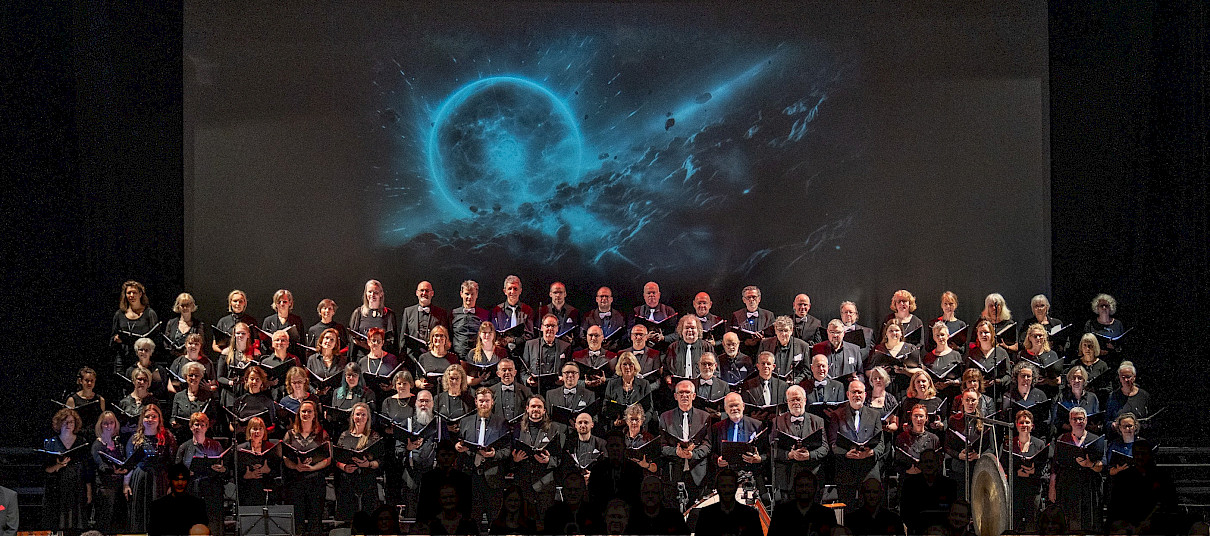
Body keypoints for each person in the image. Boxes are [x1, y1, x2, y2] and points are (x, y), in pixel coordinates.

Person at [455, 387, 511, 524]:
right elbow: (460, 443)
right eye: (481, 401)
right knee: (471, 519)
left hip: (492, 476)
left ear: (492, 402)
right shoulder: (465, 422)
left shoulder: (501, 423)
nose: (484, 404)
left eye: (487, 401)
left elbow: (507, 450)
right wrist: (458, 447)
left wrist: (494, 454)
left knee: (495, 519)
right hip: (470, 476)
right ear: (476, 402)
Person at [1049, 405, 1105, 532]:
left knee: (1088, 522)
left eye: (1081, 419)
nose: (1078, 422)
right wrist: (1052, 488)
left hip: (1088, 485)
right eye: (1074, 419)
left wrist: (1089, 464)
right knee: (1068, 521)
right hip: (1067, 485)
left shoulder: (1095, 439)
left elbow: (1103, 465)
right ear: (1070, 421)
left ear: (1086, 420)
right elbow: (1055, 467)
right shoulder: (1062, 439)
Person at [830, 379, 886, 505]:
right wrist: (846, 453)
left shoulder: (875, 415)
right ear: (848, 394)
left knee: (870, 508)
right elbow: (833, 443)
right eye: (854, 392)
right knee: (847, 508)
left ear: (865, 395)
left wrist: (870, 453)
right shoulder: (837, 415)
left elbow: (881, 444)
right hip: (846, 468)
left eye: (860, 392)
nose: (857, 395)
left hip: (869, 469)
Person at [124, 404, 177, 533]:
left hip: (161, 480)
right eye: (147, 416)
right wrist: (126, 484)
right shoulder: (135, 438)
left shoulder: (168, 437)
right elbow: (129, 465)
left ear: (159, 419)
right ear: (142, 419)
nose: (150, 419)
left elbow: (172, 463)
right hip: (140, 479)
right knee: (141, 515)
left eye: (154, 416)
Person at [281, 399, 331, 535]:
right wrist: (296, 466)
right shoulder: (290, 434)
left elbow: (328, 459)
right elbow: (285, 457)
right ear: (299, 414)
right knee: (297, 520)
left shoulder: (322, 434)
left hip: (316, 481)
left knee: (315, 519)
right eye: (303, 411)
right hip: (295, 481)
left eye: (309, 411)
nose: (306, 414)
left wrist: (313, 468)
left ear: (314, 415)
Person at [511, 395, 567, 513]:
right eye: (533, 406)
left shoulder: (555, 428)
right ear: (527, 409)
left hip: (545, 484)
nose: (536, 409)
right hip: (523, 483)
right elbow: (510, 454)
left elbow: (560, 457)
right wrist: (515, 460)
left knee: (545, 519)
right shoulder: (517, 428)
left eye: (539, 407)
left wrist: (548, 460)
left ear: (544, 410)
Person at [771, 385, 828, 501]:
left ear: (805, 400)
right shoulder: (777, 421)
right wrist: (789, 455)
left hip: (812, 475)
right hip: (787, 478)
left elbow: (825, 448)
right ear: (787, 402)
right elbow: (772, 450)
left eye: (798, 399)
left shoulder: (817, 421)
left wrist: (809, 455)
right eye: (792, 400)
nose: (796, 403)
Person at [659, 380, 712, 502]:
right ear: (675, 396)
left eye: (687, 392)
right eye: (681, 392)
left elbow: (707, 445)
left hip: (698, 473)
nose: (684, 395)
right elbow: (662, 446)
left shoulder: (705, 417)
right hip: (674, 472)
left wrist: (692, 454)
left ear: (694, 396)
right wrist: (676, 452)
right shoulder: (665, 417)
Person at [174, 412, 226, 536]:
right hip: (192, 490)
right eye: (196, 424)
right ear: (191, 427)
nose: (199, 427)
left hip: (212, 490)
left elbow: (225, 469)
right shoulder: (184, 447)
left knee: (213, 524)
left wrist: (222, 469)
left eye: (203, 425)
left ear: (207, 427)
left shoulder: (216, 445)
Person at [398, 390, 442, 520]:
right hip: (411, 476)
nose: (424, 404)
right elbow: (398, 451)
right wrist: (408, 448)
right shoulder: (406, 424)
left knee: (433, 516)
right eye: (421, 401)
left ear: (432, 403)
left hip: (434, 476)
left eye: (427, 401)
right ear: (416, 403)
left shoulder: (440, 424)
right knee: (412, 515)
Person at [334, 402, 382, 521]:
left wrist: (368, 464)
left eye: (363, 415)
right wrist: (343, 466)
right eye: (357, 414)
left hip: (367, 480)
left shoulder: (374, 436)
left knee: (368, 518)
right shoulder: (344, 435)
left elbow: (380, 461)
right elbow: (336, 459)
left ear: (368, 417)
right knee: (349, 517)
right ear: (352, 416)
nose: (360, 417)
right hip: (348, 481)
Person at [1002, 409, 1047, 533]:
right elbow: (1003, 467)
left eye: (1027, 422)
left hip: (1033, 489)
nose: (1024, 425)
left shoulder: (1039, 444)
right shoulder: (1009, 444)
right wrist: (1016, 473)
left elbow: (1044, 468)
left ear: (1032, 426)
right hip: (1015, 489)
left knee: (1031, 523)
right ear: (1016, 425)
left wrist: (1033, 472)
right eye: (1021, 422)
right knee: (1013, 522)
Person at [42, 408, 86, 530]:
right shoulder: (51, 443)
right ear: (59, 423)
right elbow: (46, 469)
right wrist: (59, 465)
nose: (68, 425)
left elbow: (86, 468)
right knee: (58, 521)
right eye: (65, 422)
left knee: (75, 520)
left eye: (71, 422)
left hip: (76, 486)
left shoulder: (81, 442)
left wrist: (88, 489)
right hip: (57, 487)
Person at [899, 449, 958, 533]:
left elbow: (952, 513)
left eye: (931, 461)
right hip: (918, 531)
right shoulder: (909, 484)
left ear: (938, 463)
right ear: (920, 465)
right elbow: (905, 513)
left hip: (942, 531)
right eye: (925, 462)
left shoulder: (949, 485)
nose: (929, 465)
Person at [586, 431, 645, 512]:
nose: (614, 449)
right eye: (611, 446)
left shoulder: (635, 469)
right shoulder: (597, 470)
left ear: (624, 447)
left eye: (617, 445)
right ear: (607, 448)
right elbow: (593, 496)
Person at [694, 468, 763, 536]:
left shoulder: (751, 515)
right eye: (723, 486)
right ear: (717, 488)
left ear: (736, 487)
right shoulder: (705, 515)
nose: (727, 490)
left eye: (730, 486)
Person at [111, 280, 160, 374]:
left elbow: (156, 338)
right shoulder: (119, 314)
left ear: (140, 294)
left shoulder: (149, 313)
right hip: (123, 357)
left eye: (134, 293)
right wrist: (116, 339)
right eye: (129, 293)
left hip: (143, 357)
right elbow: (112, 336)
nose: (131, 295)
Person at [147, 463, 208, 536]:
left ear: (187, 481)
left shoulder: (198, 505)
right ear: (170, 480)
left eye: (183, 479)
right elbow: (153, 532)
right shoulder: (158, 506)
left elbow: (203, 530)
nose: (180, 483)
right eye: (176, 479)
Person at [91, 411, 128, 532]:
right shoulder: (97, 445)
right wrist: (114, 470)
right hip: (105, 489)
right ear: (100, 425)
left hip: (118, 489)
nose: (108, 426)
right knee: (104, 523)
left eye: (111, 423)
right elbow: (100, 465)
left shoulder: (118, 444)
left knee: (118, 524)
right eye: (105, 423)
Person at [348, 279, 399, 360]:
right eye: (370, 292)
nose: (372, 295)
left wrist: (374, 346)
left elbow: (392, 341)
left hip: (382, 359)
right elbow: (351, 339)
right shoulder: (358, 313)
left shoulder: (389, 314)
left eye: (376, 292)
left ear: (381, 294)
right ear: (366, 293)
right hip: (361, 358)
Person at [401, 280, 451, 361]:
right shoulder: (408, 311)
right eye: (422, 290)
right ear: (417, 293)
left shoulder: (441, 313)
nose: (424, 293)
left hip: (433, 358)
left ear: (432, 293)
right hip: (411, 358)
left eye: (427, 291)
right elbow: (403, 338)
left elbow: (445, 337)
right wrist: (402, 359)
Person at [520, 314, 571, 390]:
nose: (550, 329)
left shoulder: (565, 346)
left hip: (557, 389)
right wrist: (527, 380)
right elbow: (523, 371)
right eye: (547, 326)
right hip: (536, 390)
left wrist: (564, 378)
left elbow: (569, 370)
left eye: (553, 326)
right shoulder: (530, 345)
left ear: (557, 328)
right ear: (542, 327)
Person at [236, 417, 277, 506]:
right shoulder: (240, 449)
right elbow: (236, 473)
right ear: (249, 431)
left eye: (260, 429)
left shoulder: (271, 448)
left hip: (266, 488)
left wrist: (268, 470)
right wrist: (247, 475)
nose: (257, 432)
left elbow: (277, 471)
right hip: (247, 490)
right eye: (254, 429)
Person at [758, 315, 812, 383]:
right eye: (780, 330)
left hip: (793, 385)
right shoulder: (765, 344)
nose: (783, 334)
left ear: (791, 331)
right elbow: (758, 365)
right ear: (775, 330)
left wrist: (796, 381)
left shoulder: (803, 346)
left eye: (786, 330)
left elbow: (807, 371)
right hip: (771, 384)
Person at [216, 321, 258, 407]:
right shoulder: (226, 353)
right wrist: (230, 382)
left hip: (247, 393)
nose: (240, 335)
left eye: (243, 333)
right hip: (230, 395)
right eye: (238, 333)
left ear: (248, 335)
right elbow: (220, 377)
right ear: (234, 335)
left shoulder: (255, 353)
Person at [605, 351, 654, 425]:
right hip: (618, 427)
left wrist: (640, 422)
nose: (627, 367)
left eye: (630, 364)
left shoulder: (644, 384)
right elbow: (605, 408)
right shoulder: (612, 384)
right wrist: (615, 420)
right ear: (620, 367)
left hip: (638, 426)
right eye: (624, 364)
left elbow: (649, 409)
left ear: (635, 366)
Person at [867, 320, 918, 390]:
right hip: (884, 388)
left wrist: (905, 371)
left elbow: (920, 371)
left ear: (901, 333)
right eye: (891, 331)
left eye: (897, 330)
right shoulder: (878, 349)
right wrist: (880, 372)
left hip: (906, 387)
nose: (894, 333)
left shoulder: (911, 349)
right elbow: (867, 371)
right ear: (886, 333)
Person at [451, 280, 491, 368]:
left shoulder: (485, 314)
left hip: (478, 359)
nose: (470, 297)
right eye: (467, 294)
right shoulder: (453, 314)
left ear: (477, 295)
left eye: (472, 294)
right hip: (458, 360)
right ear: (461, 294)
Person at [490, 275, 535, 354]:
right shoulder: (497, 310)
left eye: (515, 289)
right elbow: (493, 332)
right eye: (509, 289)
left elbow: (530, 335)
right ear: (505, 291)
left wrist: (514, 340)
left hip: (522, 350)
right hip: (502, 351)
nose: (513, 292)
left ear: (520, 291)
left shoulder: (527, 310)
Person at [917, 322, 963, 399]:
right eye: (937, 335)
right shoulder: (928, 356)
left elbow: (962, 377)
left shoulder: (956, 355)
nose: (940, 338)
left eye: (942, 335)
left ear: (948, 336)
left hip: (952, 394)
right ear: (934, 338)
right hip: (933, 395)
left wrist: (951, 382)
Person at [170, 361, 214, 441]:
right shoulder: (178, 396)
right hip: (182, 437)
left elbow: (213, 418)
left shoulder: (208, 396)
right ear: (185, 377)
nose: (193, 378)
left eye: (196, 375)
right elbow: (173, 417)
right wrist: (173, 422)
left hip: (203, 437)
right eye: (190, 375)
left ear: (201, 377)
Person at [1016, 323, 1063, 397]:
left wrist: (1046, 380)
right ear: (1029, 338)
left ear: (1044, 337)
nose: (1038, 338)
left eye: (1040, 335)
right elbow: (1017, 377)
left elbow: (1058, 380)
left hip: (1049, 392)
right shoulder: (1023, 355)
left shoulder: (1052, 354)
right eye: (1035, 336)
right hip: (1030, 393)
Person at [742, 351, 790, 422]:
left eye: (768, 364)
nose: (766, 366)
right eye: (763, 363)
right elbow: (744, 410)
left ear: (773, 367)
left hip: (777, 424)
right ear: (758, 366)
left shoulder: (783, 386)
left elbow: (787, 409)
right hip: (755, 423)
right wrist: (752, 417)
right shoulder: (747, 385)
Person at [894, 404, 941, 477]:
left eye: (921, 416)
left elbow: (939, 464)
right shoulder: (901, 438)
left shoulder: (934, 439)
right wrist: (907, 471)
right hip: (908, 478)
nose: (918, 419)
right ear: (911, 417)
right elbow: (896, 463)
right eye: (915, 416)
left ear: (926, 418)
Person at [1106, 361, 1151, 434]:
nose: (1126, 380)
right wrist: (1113, 425)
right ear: (1119, 378)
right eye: (1123, 377)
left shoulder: (1144, 396)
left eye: (1128, 377)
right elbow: (1107, 421)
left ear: (1134, 377)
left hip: (1140, 436)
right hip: (1119, 437)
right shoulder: (1113, 396)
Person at [814, 319, 865, 383]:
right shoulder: (817, 349)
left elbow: (861, 374)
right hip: (826, 387)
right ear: (827, 332)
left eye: (838, 332)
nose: (835, 335)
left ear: (844, 333)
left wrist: (858, 379)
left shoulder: (854, 350)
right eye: (832, 332)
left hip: (847, 387)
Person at [964, 320, 1009, 394]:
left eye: (986, 332)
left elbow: (1008, 376)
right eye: (980, 333)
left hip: (996, 393)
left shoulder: (1001, 352)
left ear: (992, 333)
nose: (983, 335)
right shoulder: (973, 353)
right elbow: (966, 375)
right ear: (977, 335)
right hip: (977, 394)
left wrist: (998, 381)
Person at [329, 362, 375, 433]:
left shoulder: (368, 393)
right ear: (345, 376)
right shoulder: (336, 392)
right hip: (339, 430)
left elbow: (371, 417)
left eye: (354, 375)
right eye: (349, 375)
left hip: (359, 431)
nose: (351, 378)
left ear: (359, 376)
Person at [1054, 365, 1100, 435]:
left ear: (1084, 381)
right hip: (1067, 434)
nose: (1076, 380)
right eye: (1073, 378)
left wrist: (1094, 426)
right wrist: (1070, 427)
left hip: (1087, 434)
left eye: (1080, 378)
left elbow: (1096, 419)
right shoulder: (1062, 397)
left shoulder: (1092, 397)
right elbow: (1056, 420)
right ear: (1069, 381)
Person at [665, 315, 712, 384]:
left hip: (700, 386)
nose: (689, 330)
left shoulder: (707, 347)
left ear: (698, 330)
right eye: (686, 328)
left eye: (693, 328)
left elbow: (715, 370)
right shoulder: (673, 347)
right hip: (678, 386)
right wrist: (668, 379)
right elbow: (666, 370)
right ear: (681, 330)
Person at [232, 366, 275, 436]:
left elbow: (272, 425)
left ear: (261, 381)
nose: (254, 382)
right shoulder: (239, 401)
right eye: (252, 379)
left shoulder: (268, 402)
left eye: (257, 379)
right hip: (243, 437)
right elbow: (232, 426)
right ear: (247, 380)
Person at [116, 367, 160, 436]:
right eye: (139, 379)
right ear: (133, 381)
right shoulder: (124, 402)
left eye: (145, 380)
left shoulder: (154, 402)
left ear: (149, 383)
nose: (142, 382)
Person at [65, 366, 106, 441]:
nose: (89, 383)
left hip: (96, 438)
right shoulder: (72, 400)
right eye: (87, 380)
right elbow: (68, 422)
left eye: (92, 381)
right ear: (80, 381)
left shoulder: (100, 400)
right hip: (78, 438)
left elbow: (102, 421)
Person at [731, 285, 775, 354]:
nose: (751, 300)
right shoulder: (736, 315)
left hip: (763, 352)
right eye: (748, 297)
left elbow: (773, 338)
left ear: (759, 299)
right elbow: (733, 337)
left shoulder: (768, 315)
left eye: (754, 297)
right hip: (744, 353)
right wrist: (745, 342)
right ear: (744, 300)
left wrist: (763, 340)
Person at [358, 327, 401, 398]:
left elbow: (399, 380)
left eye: (379, 341)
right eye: (373, 340)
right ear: (368, 342)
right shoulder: (362, 361)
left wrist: (391, 386)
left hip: (388, 397)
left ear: (383, 342)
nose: (376, 343)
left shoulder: (391, 359)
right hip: (368, 398)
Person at [305, 327, 346, 398]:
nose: (328, 341)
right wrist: (315, 392)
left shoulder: (341, 360)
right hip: (317, 397)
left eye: (332, 340)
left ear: (335, 344)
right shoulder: (312, 359)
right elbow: (307, 381)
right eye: (326, 338)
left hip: (336, 397)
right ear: (321, 340)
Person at [581, 286, 625, 351]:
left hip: (614, 352)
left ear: (611, 299)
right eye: (601, 296)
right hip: (592, 352)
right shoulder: (587, 317)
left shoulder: (620, 317)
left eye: (607, 296)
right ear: (597, 299)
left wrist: (611, 349)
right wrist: (596, 347)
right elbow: (582, 336)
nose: (604, 298)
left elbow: (623, 337)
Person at [212, 289, 256, 353]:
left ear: (245, 303)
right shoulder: (223, 322)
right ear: (230, 303)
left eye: (240, 301)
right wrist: (225, 353)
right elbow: (214, 345)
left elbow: (256, 344)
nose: (238, 304)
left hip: (246, 356)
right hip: (226, 355)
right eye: (235, 301)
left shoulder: (251, 321)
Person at [488, 358, 532, 423]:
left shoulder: (526, 391)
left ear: (515, 372)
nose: (507, 372)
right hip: (498, 427)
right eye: (504, 370)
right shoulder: (491, 391)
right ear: (498, 373)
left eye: (510, 370)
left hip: (519, 427)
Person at [163, 292, 206, 358]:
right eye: (182, 305)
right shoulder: (171, 323)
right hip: (173, 360)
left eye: (187, 305)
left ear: (192, 306)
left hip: (192, 360)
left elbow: (201, 344)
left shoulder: (198, 325)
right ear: (178, 307)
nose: (185, 308)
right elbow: (166, 344)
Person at [261, 288, 304, 354]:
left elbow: (302, 343)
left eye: (284, 302)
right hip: (272, 356)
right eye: (279, 302)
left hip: (292, 355)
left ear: (290, 303)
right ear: (275, 304)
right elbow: (263, 343)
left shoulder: (297, 320)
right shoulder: (268, 321)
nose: (282, 304)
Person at [621, 403, 659, 474]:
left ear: (641, 421)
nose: (634, 422)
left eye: (637, 419)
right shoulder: (620, 437)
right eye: (631, 419)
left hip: (642, 476)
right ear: (626, 421)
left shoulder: (649, 439)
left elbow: (656, 468)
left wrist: (646, 465)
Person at [466, 321, 505, 389]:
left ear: (494, 334)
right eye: (484, 333)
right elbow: (469, 381)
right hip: (478, 389)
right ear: (480, 334)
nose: (487, 335)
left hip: (497, 388)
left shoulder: (502, 352)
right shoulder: (472, 353)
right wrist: (480, 379)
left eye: (490, 333)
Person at [866, 366, 900, 433]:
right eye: (875, 378)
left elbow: (895, 424)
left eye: (880, 378)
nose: (878, 380)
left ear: (885, 379)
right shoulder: (865, 397)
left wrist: (888, 427)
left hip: (884, 434)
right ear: (871, 381)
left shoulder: (891, 399)